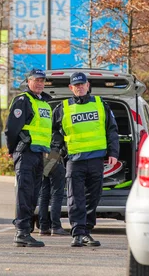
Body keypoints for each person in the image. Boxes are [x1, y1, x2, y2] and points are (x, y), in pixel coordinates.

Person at [51, 72, 119, 247]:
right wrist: (50, 160)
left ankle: (87, 231)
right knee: (75, 197)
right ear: (71, 88)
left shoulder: (100, 105)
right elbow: (56, 135)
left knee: (93, 197)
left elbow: (111, 130)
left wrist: (113, 153)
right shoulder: (63, 108)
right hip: (74, 160)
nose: (79, 87)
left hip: (96, 159)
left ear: (88, 85)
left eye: (82, 84)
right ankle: (78, 233)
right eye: (76, 85)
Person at [5, 69, 53, 248]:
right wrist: (12, 149)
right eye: (36, 80)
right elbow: (11, 128)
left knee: (33, 194)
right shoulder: (23, 101)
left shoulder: (44, 103)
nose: (40, 83)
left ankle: (24, 229)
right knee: (25, 192)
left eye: (42, 80)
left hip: (38, 153)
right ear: (28, 81)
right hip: (25, 152)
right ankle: (22, 232)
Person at [38, 149, 68, 236]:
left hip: (44, 156)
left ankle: (43, 227)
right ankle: (56, 227)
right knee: (56, 194)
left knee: (44, 194)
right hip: (55, 155)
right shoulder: (58, 134)